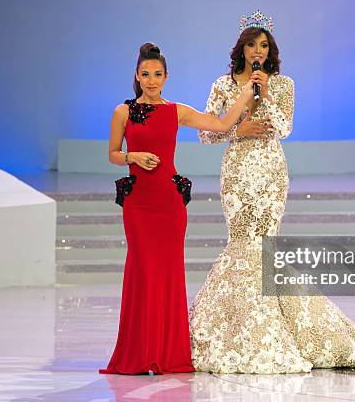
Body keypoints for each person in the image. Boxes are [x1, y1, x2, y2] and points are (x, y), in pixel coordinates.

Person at [189, 11, 355, 373]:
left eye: (263, 45)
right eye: (251, 45)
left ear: (270, 50)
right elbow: (206, 133)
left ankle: (284, 327)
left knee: (266, 248)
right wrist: (239, 130)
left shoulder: (283, 85)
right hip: (237, 172)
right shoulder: (222, 84)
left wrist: (264, 95)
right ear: (241, 48)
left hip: (270, 172)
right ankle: (236, 327)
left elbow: (283, 128)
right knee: (241, 244)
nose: (257, 52)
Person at [100, 42, 256, 375]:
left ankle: (167, 355)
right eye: (145, 74)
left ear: (166, 76)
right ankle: (139, 354)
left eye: (157, 74)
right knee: (142, 272)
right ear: (136, 76)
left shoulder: (177, 111)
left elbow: (220, 124)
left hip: (169, 204)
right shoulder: (123, 112)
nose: (151, 80)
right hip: (139, 202)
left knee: (169, 274)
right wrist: (133, 156)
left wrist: (246, 93)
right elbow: (113, 152)